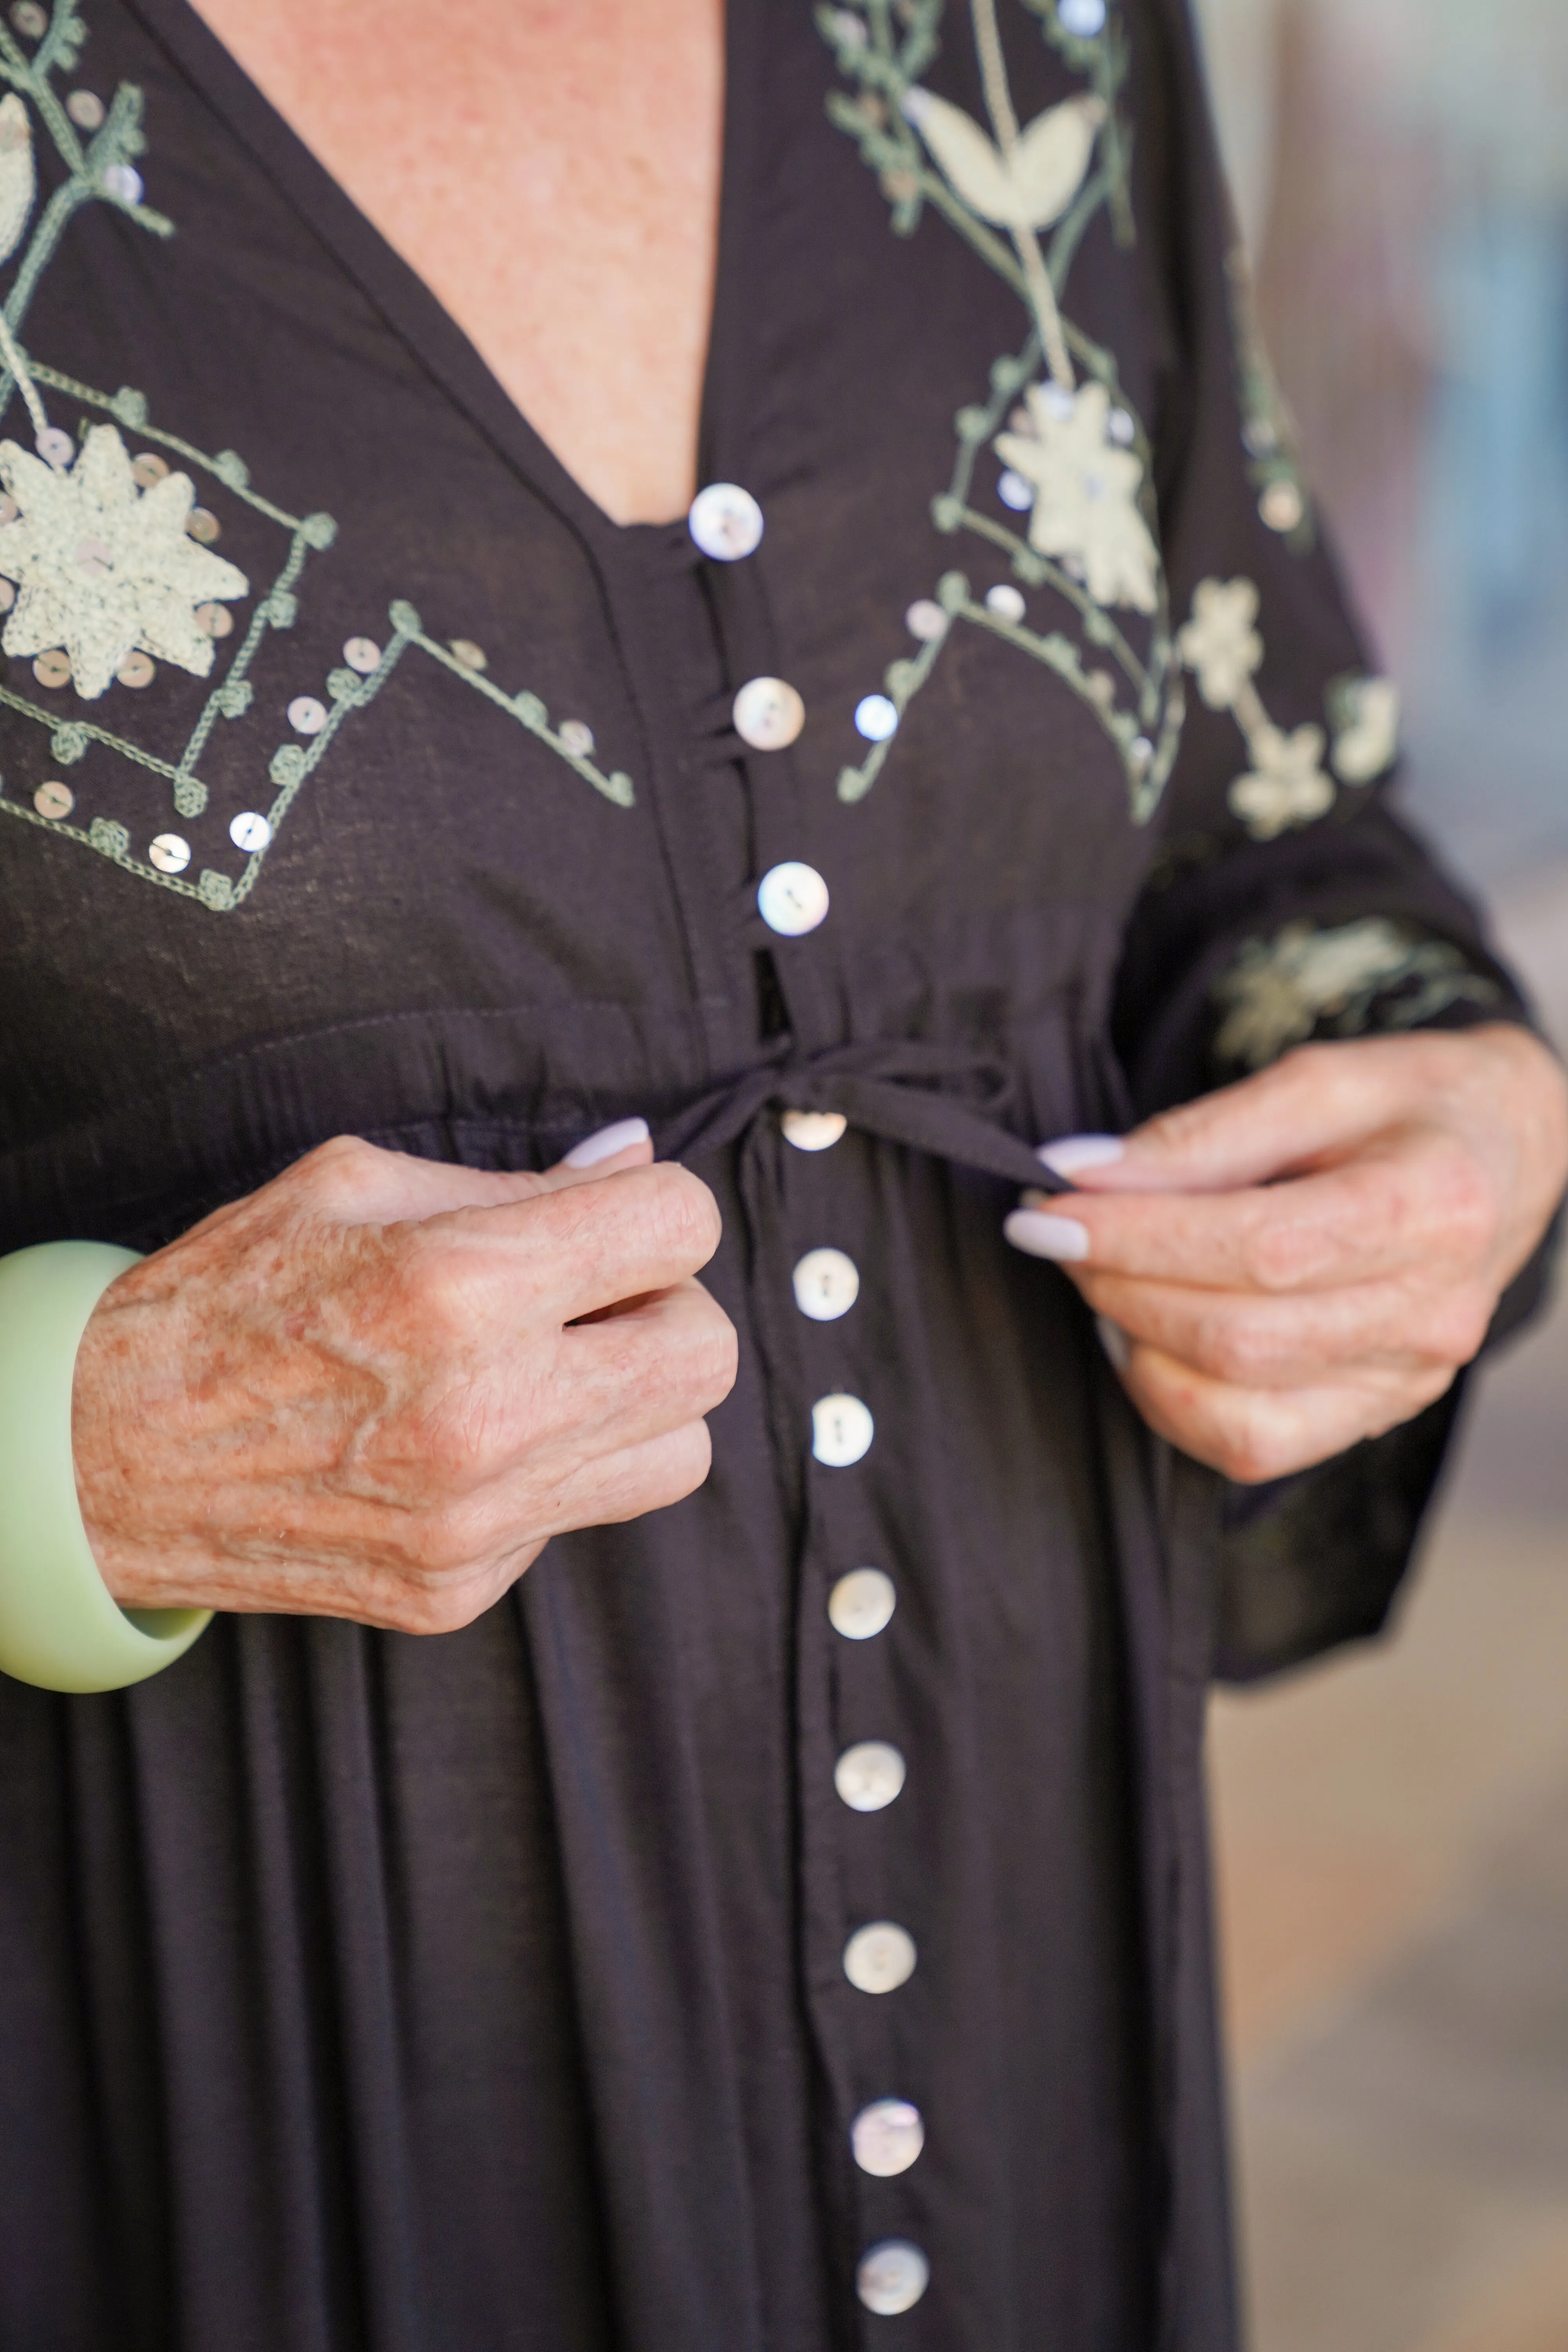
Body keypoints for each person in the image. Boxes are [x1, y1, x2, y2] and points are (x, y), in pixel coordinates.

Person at [0, 0, 1562, 2343]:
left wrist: (1443, 1089)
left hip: (1042, 2079)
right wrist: (68, 1450)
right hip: (215, 2140)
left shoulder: (1032, 47)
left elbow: (1269, 820)